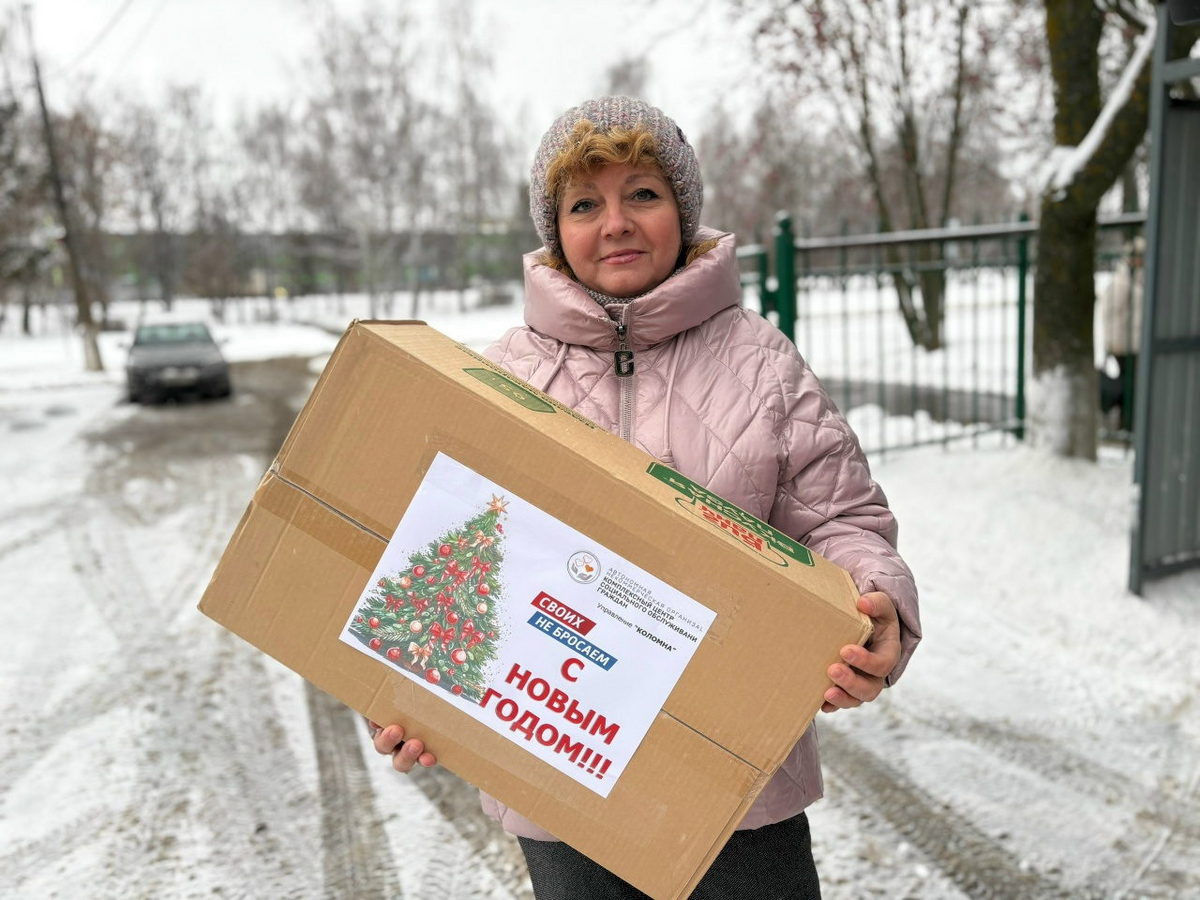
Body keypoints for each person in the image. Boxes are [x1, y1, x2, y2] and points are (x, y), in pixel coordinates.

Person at [369, 96, 921, 899]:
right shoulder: (502, 379)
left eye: (643, 194)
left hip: (737, 788)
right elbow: (432, 548)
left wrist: (876, 603)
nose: (616, 223)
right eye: (584, 204)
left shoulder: (762, 364)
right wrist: (401, 691)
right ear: (555, 230)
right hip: (558, 779)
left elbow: (841, 519)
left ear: (683, 212)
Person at [1099, 236, 1144, 433]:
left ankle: (1129, 423)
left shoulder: (1140, 279)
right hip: (1124, 345)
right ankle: (1128, 425)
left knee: (1134, 385)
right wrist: (1111, 343)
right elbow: (1109, 314)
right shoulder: (1122, 281)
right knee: (1131, 386)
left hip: (1137, 344)